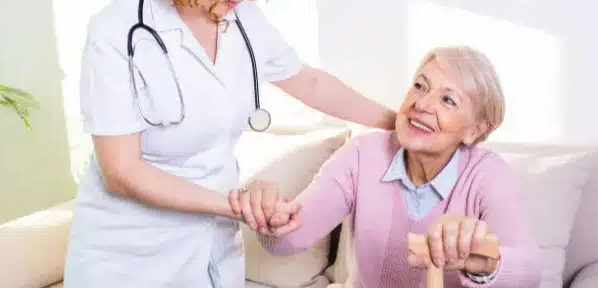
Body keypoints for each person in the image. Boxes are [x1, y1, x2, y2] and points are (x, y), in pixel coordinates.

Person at [62, 0, 397, 287]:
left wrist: (396, 122)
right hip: (129, 258)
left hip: (214, 252)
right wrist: (236, 206)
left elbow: (310, 83)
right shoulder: (118, 32)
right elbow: (122, 172)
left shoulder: (245, 22)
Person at [231, 46, 542, 287]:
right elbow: (289, 239)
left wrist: (484, 262)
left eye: (448, 100)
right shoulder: (363, 154)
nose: (422, 104)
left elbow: (529, 272)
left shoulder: (488, 174)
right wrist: (271, 218)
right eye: (420, 86)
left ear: (476, 130)